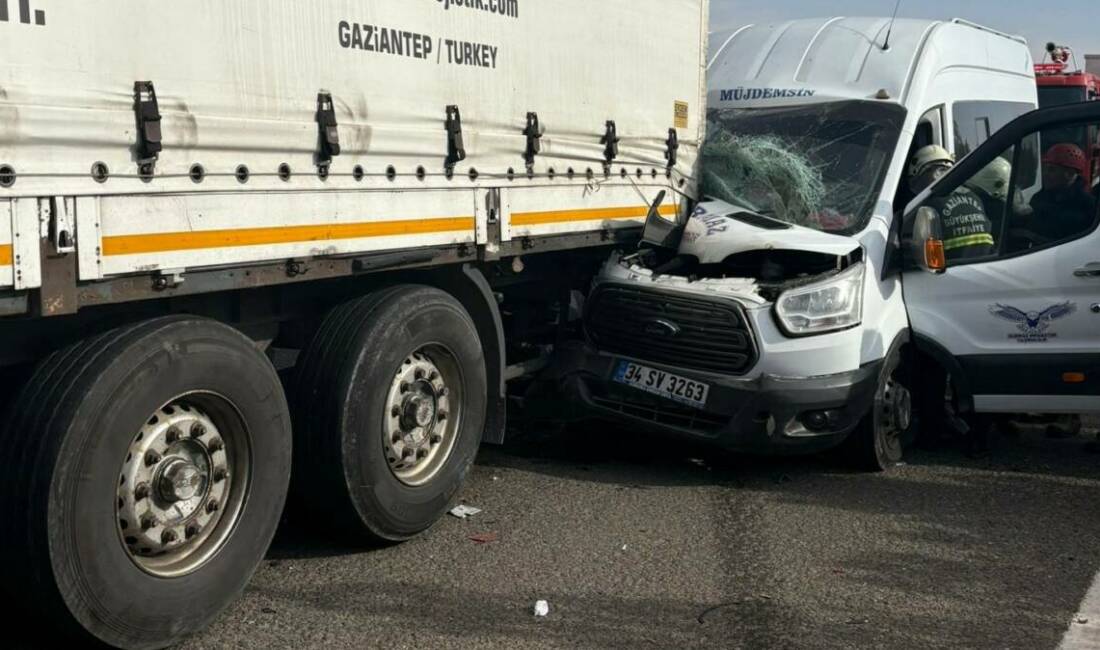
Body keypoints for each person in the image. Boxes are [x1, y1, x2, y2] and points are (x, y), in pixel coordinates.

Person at [909, 145, 995, 260]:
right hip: (988, 265)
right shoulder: (975, 197)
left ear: (923, 173)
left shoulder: (927, 207)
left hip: (952, 272)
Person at [1027, 143, 1097, 242]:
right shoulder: (1039, 197)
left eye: (1051, 170)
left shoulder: (1089, 206)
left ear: (1069, 173)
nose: (1045, 174)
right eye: (1045, 169)